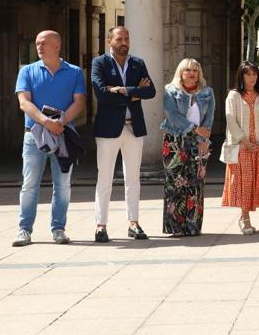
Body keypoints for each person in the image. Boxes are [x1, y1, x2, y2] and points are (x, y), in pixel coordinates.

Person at [12, 30, 87, 247]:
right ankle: (24, 230)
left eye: (43, 43)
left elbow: (79, 102)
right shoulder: (27, 71)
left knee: (62, 185)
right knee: (29, 184)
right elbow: (24, 103)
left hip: (63, 136)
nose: (39, 47)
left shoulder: (73, 72)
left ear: (57, 45)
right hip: (33, 136)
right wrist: (47, 122)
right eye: (37, 43)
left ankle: (58, 229)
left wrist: (60, 123)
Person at [91, 25, 156, 242]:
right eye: (119, 39)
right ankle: (101, 226)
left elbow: (151, 91)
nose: (124, 42)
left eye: (126, 38)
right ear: (110, 41)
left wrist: (120, 90)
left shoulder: (138, 63)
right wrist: (133, 92)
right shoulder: (99, 63)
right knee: (105, 178)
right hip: (108, 129)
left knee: (133, 178)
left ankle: (133, 223)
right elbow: (102, 94)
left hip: (133, 127)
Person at [161, 58, 215, 236]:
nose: (192, 73)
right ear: (181, 73)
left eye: (195, 70)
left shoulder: (207, 93)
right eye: (188, 70)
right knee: (175, 183)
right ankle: (175, 226)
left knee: (195, 184)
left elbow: (209, 117)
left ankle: (193, 226)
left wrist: (204, 137)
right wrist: (194, 129)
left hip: (198, 140)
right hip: (175, 140)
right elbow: (172, 115)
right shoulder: (171, 91)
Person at [221, 61, 259, 234]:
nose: (252, 77)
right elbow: (230, 120)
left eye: (254, 74)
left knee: (254, 182)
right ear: (241, 76)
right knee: (243, 182)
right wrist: (243, 140)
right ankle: (245, 218)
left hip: (258, 146)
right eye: (248, 74)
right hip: (241, 146)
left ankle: (246, 215)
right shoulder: (234, 95)